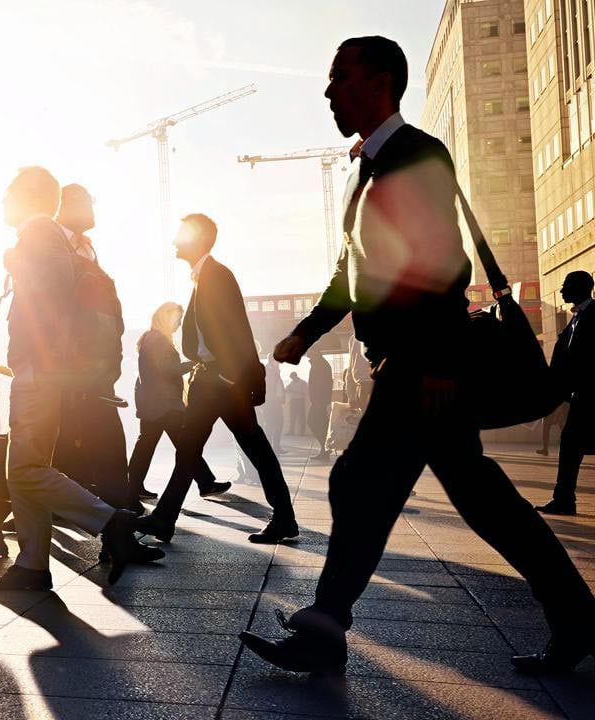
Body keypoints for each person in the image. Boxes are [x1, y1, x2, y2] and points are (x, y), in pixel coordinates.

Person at [241, 36, 595, 675]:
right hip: (409, 363)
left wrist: (439, 364)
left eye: (339, 79)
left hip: (422, 366)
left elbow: (444, 264)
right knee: (481, 499)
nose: (328, 93)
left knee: (360, 482)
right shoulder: (362, 169)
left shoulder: (417, 154)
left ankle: (324, 630)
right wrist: (305, 332)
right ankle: (578, 616)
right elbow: (351, 275)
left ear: (379, 84)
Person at [0, 166, 162, 592]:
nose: (2, 201)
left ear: (27, 196)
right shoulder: (48, 236)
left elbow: (53, 294)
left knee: (24, 469)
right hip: (44, 370)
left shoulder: (39, 234)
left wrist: (16, 264)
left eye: (8, 192)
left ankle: (110, 520)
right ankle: (31, 565)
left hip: (39, 372)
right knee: (26, 468)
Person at [136, 215, 297, 547]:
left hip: (219, 382)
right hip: (212, 380)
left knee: (246, 447)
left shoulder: (216, 276)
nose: (174, 241)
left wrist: (227, 376)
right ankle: (165, 519)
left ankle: (283, 517)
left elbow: (236, 327)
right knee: (197, 449)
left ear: (197, 239)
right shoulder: (204, 276)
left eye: (180, 235)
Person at [49, 184, 140, 510]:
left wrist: (113, 347)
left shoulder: (86, 248)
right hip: (67, 366)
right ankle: (118, 511)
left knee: (96, 438)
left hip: (94, 366)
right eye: (90, 203)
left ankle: (120, 509)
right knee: (62, 440)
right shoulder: (53, 243)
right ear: (70, 202)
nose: (94, 212)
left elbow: (102, 307)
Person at [128, 302, 229, 500]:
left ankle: (132, 487)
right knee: (186, 444)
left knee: (147, 445)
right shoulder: (158, 340)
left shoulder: (150, 338)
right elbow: (167, 369)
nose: (180, 324)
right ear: (166, 318)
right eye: (178, 319)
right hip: (165, 404)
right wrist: (195, 363)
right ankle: (206, 483)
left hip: (153, 403)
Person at [537, 270, 595, 515]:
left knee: (572, 445)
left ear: (581, 288)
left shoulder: (593, 316)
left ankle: (564, 500)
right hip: (579, 398)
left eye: (566, 286)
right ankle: (563, 499)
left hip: (590, 397)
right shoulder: (577, 318)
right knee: (571, 446)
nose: (561, 291)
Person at [307, 349, 333, 460]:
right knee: (321, 424)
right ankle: (325, 449)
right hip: (319, 401)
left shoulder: (320, 364)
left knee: (313, 422)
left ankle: (325, 448)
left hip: (319, 401)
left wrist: (319, 401)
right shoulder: (319, 363)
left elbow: (323, 384)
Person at [263, 357, 286, 453]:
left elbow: (279, 385)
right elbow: (267, 386)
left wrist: (282, 398)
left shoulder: (276, 370)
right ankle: (270, 447)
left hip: (277, 402)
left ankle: (276, 447)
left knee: (279, 424)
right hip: (270, 402)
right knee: (270, 425)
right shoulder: (267, 370)